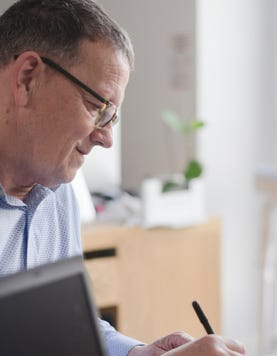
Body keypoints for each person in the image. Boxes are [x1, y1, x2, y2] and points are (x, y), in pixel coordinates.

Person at [0, 0, 245, 355]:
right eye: (97, 107)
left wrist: (140, 354)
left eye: (112, 117)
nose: (106, 137)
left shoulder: (57, 193)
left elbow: (68, 330)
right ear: (27, 78)